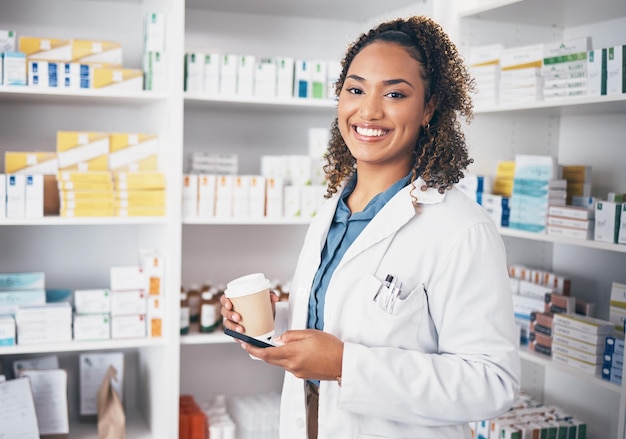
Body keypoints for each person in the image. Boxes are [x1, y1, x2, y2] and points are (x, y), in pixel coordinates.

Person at [221, 15, 520, 439]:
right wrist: (269, 324)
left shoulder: (461, 228)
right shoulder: (333, 208)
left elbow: (492, 382)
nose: (369, 110)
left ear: (429, 108)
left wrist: (346, 366)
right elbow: (342, 322)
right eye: (355, 90)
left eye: (395, 93)